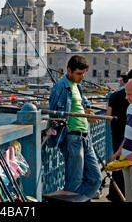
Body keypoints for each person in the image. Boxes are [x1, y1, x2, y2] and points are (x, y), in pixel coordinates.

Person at [48, 55, 102, 199]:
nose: (82, 77)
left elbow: (77, 108)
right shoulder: (60, 86)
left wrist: (86, 113)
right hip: (72, 138)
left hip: (85, 136)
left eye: (84, 73)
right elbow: (54, 113)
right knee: (74, 182)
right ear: (69, 70)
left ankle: (70, 199)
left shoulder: (77, 86)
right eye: (79, 73)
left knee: (95, 179)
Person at [105, 72, 129, 202]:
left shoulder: (114, 96)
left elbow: (109, 116)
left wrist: (114, 128)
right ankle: (125, 194)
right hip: (129, 136)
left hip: (117, 134)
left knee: (117, 167)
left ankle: (114, 195)